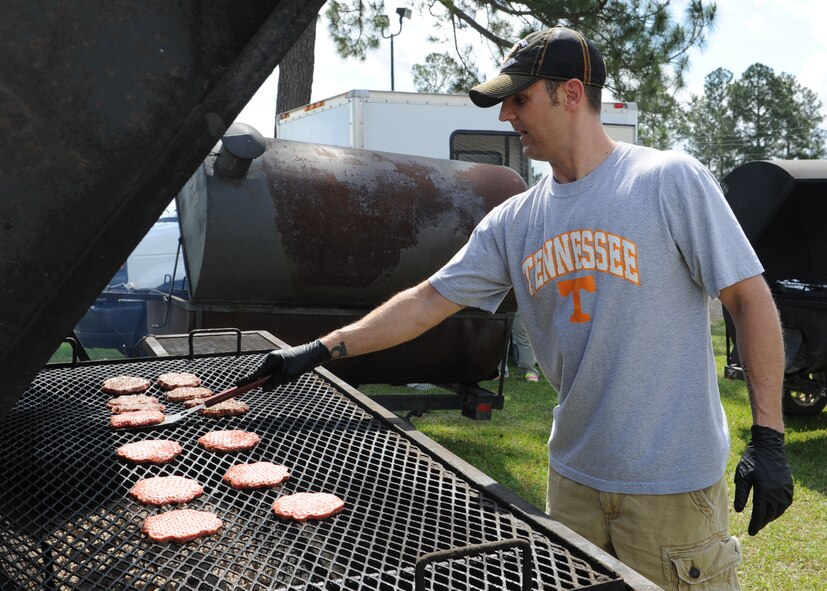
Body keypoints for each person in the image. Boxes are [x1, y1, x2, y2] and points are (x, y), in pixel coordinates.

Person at [238, 26, 793, 590]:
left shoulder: (668, 180)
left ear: (572, 94)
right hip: (572, 481)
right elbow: (428, 300)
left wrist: (768, 436)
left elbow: (748, 299)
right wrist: (320, 350)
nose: (506, 115)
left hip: (671, 488)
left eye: (520, 98)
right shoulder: (516, 220)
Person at [511, 309, 540, 381]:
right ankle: (499, 371)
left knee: (523, 337)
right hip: (498, 302)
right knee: (499, 335)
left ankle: (530, 371)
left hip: (519, 303)